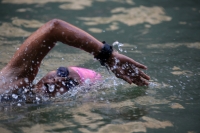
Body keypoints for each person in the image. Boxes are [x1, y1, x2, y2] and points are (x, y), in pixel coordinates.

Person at [0, 19, 150, 100]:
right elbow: (54, 28)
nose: (58, 80)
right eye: (63, 72)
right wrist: (107, 56)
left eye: (70, 84)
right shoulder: (17, 80)